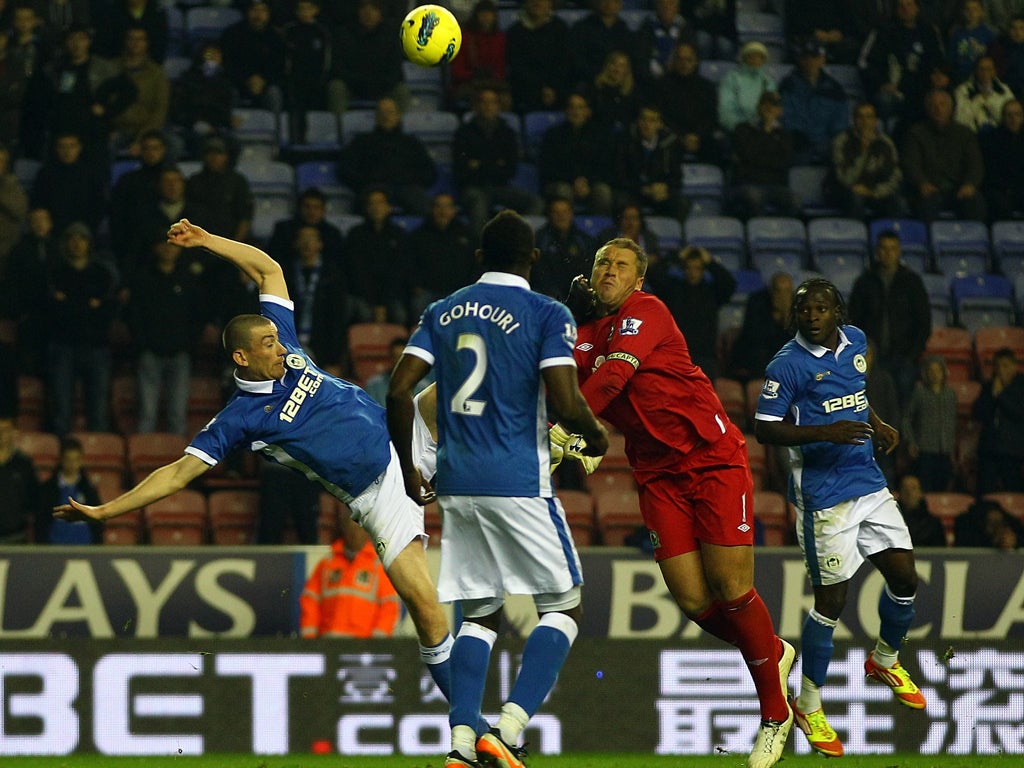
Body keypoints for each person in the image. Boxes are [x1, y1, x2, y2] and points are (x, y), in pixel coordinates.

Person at [53, 218, 461, 716]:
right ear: (242, 356)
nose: (282, 347)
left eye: (277, 337)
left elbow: (267, 270)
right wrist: (106, 511)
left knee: (466, 374)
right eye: (268, 343)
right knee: (426, 607)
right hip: (379, 494)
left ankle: (564, 425)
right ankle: (470, 723)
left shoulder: (285, 346)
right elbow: (179, 472)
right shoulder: (240, 419)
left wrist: (207, 241)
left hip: (404, 432)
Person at [385, 210, 609, 768]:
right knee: (565, 607)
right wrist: (594, 431)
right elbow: (564, 396)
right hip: (517, 480)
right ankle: (508, 729)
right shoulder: (546, 312)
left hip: (457, 484)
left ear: (480, 258)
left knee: (480, 613)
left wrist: (413, 473)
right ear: (533, 259)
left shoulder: (443, 311)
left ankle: (462, 744)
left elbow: (399, 392)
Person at [563, 238, 795, 768]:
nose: (609, 270)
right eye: (601, 261)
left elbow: (615, 376)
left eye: (621, 265)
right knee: (693, 601)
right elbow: (567, 388)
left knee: (733, 590)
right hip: (657, 473)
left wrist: (570, 429)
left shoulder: (648, 310)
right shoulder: (579, 338)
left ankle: (774, 713)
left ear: (637, 280)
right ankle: (772, 654)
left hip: (711, 457)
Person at [754, 277, 926, 758]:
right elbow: (764, 429)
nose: (812, 316)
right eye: (804, 309)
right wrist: (825, 431)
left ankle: (886, 660)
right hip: (824, 498)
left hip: (867, 482)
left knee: (905, 578)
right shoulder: (785, 365)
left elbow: (853, 394)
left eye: (821, 308)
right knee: (831, 602)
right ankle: (808, 704)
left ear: (838, 314)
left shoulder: (858, 342)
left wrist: (875, 422)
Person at [46, 221, 117, 436]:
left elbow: (108, 309)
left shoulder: (101, 274)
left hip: (96, 346)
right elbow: (50, 310)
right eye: (72, 239)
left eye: (81, 239)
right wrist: (87, 306)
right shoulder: (55, 273)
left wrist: (70, 304)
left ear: (89, 244)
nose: (76, 244)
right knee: (61, 406)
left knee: (97, 406)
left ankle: (98, 452)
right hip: (63, 345)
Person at [847, 229, 931, 406]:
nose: (888, 253)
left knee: (901, 406)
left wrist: (911, 356)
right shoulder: (864, 281)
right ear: (877, 251)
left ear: (899, 251)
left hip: (903, 358)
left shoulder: (912, 282)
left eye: (892, 248)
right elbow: (852, 319)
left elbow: (923, 323)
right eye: (883, 248)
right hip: (871, 358)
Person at [452, 86, 542, 235]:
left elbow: (510, 169)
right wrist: (496, 164)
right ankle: (482, 250)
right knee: (478, 203)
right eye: (484, 102)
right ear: (476, 106)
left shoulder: (507, 133)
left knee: (536, 202)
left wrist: (479, 164)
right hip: (473, 188)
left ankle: (517, 239)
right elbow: (461, 169)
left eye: (492, 102)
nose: (488, 106)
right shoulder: (464, 133)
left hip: (501, 187)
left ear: (498, 106)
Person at [300, 512, 401, 638]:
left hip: (363, 645)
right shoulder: (327, 564)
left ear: (367, 532)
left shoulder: (378, 567)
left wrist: (377, 644)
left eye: (359, 529)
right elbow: (311, 601)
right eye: (351, 528)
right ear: (343, 529)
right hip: (329, 643)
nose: (355, 534)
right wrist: (309, 641)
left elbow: (389, 607)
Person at [645, 244, 736, 380]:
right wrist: (676, 257)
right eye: (689, 268)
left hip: (705, 357)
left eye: (698, 268)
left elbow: (730, 283)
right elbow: (653, 275)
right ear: (683, 269)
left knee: (704, 400)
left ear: (703, 270)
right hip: (676, 355)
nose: (693, 272)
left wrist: (710, 262)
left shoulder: (712, 292)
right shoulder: (674, 290)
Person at [337, 96, 437, 219]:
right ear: (376, 117)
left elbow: (429, 171)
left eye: (390, 112)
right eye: (382, 112)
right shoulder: (361, 141)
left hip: (407, 187)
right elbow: (345, 168)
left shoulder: (412, 143)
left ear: (398, 116)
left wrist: (414, 182)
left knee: (428, 209)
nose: (386, 116)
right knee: (368, 204)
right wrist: (364, 183)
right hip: (374, 187)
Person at [901, 88, 987, 222]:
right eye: (933, 105)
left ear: (951, 108)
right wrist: (921, 183)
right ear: (927, 109)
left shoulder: (964, 133)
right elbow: (911, 164)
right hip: (929, 189)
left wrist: (970, 184)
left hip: (959, 189)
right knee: (925, 205)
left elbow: (975, 164)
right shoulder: (916, 133)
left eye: (942, 105)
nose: (938, 109)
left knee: (976, 202)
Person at [537, 91, 615, 216]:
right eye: (571, 107)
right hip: (561, 182)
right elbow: (548, 167)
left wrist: (587, 182)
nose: (575, 111)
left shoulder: (599, 136)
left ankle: (602, 231)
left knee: (603, 192)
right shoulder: (553, 135)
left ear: (587, 111)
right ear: (566, 111)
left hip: (590, 184)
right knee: (563, 191)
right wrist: (573, 181)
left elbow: (604, 166)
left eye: (580, 107)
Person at [728, 91, 802, 220]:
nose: (769, 108)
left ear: (780, 111)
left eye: (773, 105)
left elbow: (782, 162)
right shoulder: (743, 129)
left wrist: (759, 156)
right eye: (765, 104)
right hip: (748, 183)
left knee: (795, 200)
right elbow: (747, 155)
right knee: (754, 197)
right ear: (758, 107)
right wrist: (766, 132)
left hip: (775, 184)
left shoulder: (785, 135)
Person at [829, 101, 906, 220]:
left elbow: (895, 177)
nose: (865, 122)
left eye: (869, 117)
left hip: (875, 191)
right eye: (860, 117)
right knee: (856, 198)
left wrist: (874, 192)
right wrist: (864, 152)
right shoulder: (841, 141)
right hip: (847, 192)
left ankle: (889, 237)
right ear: (854, 120)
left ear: (875, 120)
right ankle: (855, 235)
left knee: (899, 203)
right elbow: (845, 179)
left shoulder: (885, 143)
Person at [779, 41, 850, 165]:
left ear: (822, 60)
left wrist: (834, 140)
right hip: (797, 144)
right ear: (800, 60)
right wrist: (796, 135)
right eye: (806, 57)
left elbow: (840, 120)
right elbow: (784, 114)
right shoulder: (787, 85)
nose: (810, 62)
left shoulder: (834, 89)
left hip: (826, 144)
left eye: (815, 57)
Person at [972, 346, 1024, 494]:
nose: (1001, 370)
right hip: (989, 450)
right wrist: (992, 395)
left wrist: (1000, 395)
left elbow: (1018, 413)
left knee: (1014, 494)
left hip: (1013, 452)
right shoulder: (989, 387)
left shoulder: (1021, 387)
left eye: (1005, 366)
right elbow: (979, 413)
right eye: (998, 366)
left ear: (1014, 366)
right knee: (984, 493)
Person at [902, 355, 957, 492]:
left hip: (945, 450)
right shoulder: (919, 392)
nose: (934, 374)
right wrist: (911, 441)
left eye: (937, 370)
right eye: (931, 370)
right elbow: (906, 418)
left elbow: (953, 421)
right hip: (925, 450)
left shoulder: (950, 394)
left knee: (943, 489)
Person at [34, 435, 103, 544]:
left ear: (81, 460)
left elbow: (97, 522)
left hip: (86, 550)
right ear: (61, 460)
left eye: (76, 459)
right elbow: (41, 522)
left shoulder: (89, 490)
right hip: (54, 550)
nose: (72, 464)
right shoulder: (47, 489)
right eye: (68, 459)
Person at [729, 271, 794, 383]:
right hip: (758, 362)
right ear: (771, 290)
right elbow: (754, 337)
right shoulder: (757, 302)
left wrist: (786, 318)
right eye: (778, 291)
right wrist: (776, 317)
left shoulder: (799, 307)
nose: (782, 296)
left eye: (787, 291)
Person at [530, 195, 597, 300]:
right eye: (556, 212)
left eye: (564, 212)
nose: (561, 216)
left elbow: (590, 269)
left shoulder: (584, 240)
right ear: (549, 215)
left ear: (571, 213)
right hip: (547, 298)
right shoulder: (539, 240)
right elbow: (538, 273)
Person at [717, 40, 777, 134]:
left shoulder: (768, 82)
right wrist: (741, 128)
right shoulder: (732, 79)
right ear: (744, 58)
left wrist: (766, 125)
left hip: (764, 130)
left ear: (763, 60)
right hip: (738, 130)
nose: (755, 59)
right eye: (751, 56)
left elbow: (772, 108)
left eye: (759, 57)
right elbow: (725, 109)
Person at [980, 98, 1024, 220]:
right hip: (999, 190)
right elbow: (989, 171)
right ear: (1002, 117)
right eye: (1009, 115)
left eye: (1017, 114)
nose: (1013, 119)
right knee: (1000, 204)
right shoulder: (991, 139)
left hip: (1020, 188)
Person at [953, 54, 1016, 134]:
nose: (985, 72)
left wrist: (989, 101)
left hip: (1000, 136)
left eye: (989, 69)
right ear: (975, 70)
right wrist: (978, 101)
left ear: (994, 71)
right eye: (982, 69)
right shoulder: (962, 90)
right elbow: (960, 119)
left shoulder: (1004, 90)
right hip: (971, 136)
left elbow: (1012, 115)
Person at [0, 416, 38, 544]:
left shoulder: (24, 464)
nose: (1, 435)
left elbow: (34, 497)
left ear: (13, 432)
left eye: (5, 430)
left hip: (16, 536)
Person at [895, 473, 948, 547]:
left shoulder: (932, 524)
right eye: (905, 489)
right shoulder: (893, 522)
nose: (909, 493)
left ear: (920, 493)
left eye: (913, 488)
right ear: (899, 493)